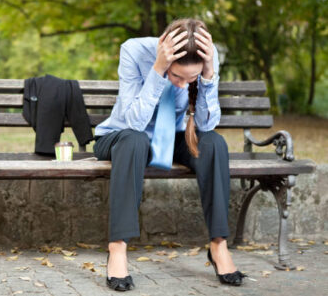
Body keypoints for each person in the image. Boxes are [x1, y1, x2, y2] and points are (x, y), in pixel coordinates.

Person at [93, 18, 246, 291]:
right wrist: (158, 71)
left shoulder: (206, 56)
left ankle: (219, 244)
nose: (182, 86)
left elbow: (206, 125)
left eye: (191, 79)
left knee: (214, 143)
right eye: (177, 76)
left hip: (176, 137)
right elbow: (133, 123)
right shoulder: (133, 50)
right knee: (135, 140)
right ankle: (117, 247)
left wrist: (208, 74)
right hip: (122, 136)